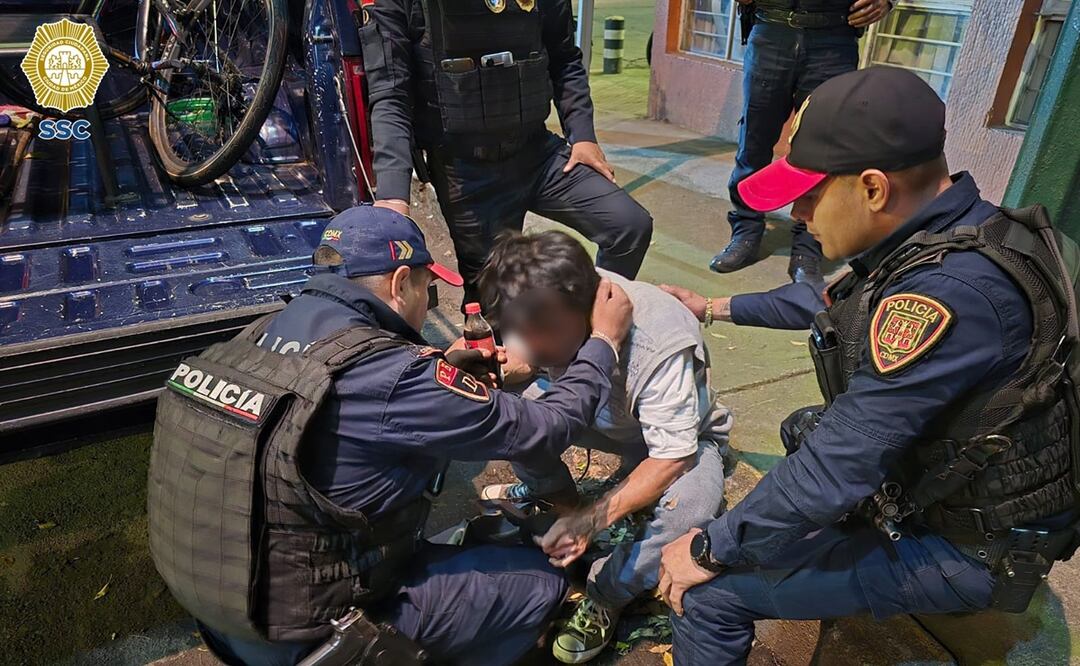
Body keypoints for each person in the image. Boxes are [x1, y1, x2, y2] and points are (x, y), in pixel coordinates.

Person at [657, 67, 1080, 665]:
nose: (796, 214)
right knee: (803, 430)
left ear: (874, 188)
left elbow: (839, 467)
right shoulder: (961, 230)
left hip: (970, 550)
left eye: (808, 195)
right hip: (969, 492)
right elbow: (827, 303)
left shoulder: (946, 296)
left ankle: (923, 585)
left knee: (710, 596)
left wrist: (707, 551)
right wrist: (712, 307)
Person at [147, 205, 636, 666]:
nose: (427, 302)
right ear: (402, 282)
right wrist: (602, 343)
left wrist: (444, 368)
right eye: (428, 289)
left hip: (231, 616)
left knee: (480, 541)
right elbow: (543, 431)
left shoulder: (253, 338)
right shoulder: (393, 377)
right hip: (319, 636)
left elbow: (348, 410)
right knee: (541, 583)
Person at [477, 231, 732, 663]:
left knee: (690, 509)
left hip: (674, 443)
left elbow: (672, 457)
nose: (527, 343)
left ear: (588, 313)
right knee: (517, 423)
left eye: (537, 334)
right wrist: (494, 370)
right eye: (516, 330)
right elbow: (525, 358)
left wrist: (591, 520)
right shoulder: (537, 298)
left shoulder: (658, 340)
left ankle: (606, 593)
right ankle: (560, 502)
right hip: (597, 414)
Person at [359, 0, 653, 306]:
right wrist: (393, 195)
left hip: (538, 154)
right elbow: (391, 94)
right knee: (494, 304)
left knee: (629, 226)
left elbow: (565, 59)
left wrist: (582, 136)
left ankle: (594, 324)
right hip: (465, 172)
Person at [710, 0, 892, 286]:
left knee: (821, 151)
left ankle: (809, 246)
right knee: (754, 144)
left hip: (834, 36)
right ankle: (746, 229)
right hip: (770, 29)